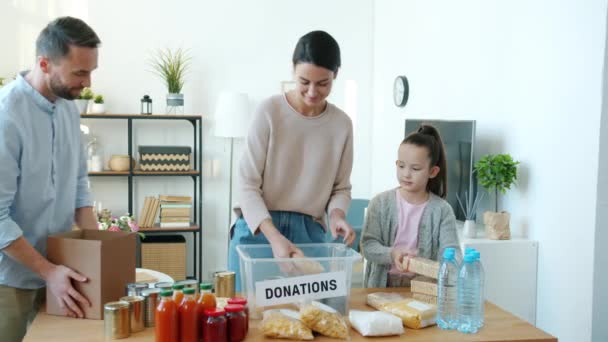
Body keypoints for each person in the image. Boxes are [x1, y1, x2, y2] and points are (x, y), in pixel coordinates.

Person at [228, 30, 355, 290]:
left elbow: (341, 188)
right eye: (304, 81)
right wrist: (274, 237)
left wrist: (338, 215)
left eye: (323, 83)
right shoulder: (269, 111)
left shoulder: (342, 125)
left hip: (309, 233)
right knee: (248, 321)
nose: (312, 92)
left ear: (336, 75)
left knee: (315, 318)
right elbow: (247, 184)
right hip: (259, 229)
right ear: (293, 70)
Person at [0, 16, 101, 341]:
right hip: (9, 281)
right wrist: (49, 271)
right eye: (79, 73)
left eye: (90, 72)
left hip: (59, 274)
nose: (87, 83)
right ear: (44, 63)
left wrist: (100, 255)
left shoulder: (69, 109)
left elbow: (79, 191)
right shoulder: (7, 116)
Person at [361, 124, 459, 288]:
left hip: (423, 289)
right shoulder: (380, 203)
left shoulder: (442, 210)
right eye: (401, 166)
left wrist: (442, 270)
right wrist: (392, 254)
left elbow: (452, 254)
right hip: (381, 286)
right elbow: (368, 246)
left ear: (432, 172)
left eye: (415, 168)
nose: (406, 173)